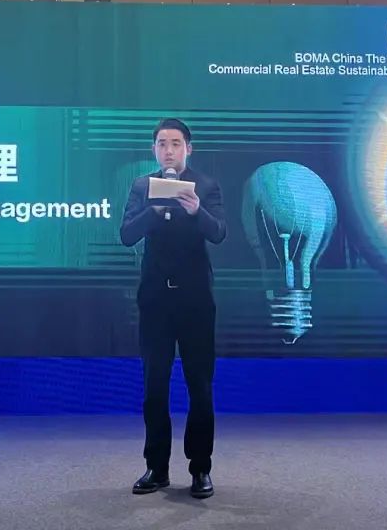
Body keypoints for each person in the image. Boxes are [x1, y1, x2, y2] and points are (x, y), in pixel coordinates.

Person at [119, 118, 227, 499]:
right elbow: (126, 234)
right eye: (162, 144)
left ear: (188, 149)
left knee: (200, 387)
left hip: (195, 301)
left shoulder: (206, 187)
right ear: (154, 150)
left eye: (176, 144)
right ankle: (157, 467)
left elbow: (219, 232)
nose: (169, 150)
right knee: (154, 387)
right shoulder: (141, 186)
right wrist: (153, 209)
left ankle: (201, 469)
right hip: (155, 301)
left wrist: (197, 210)